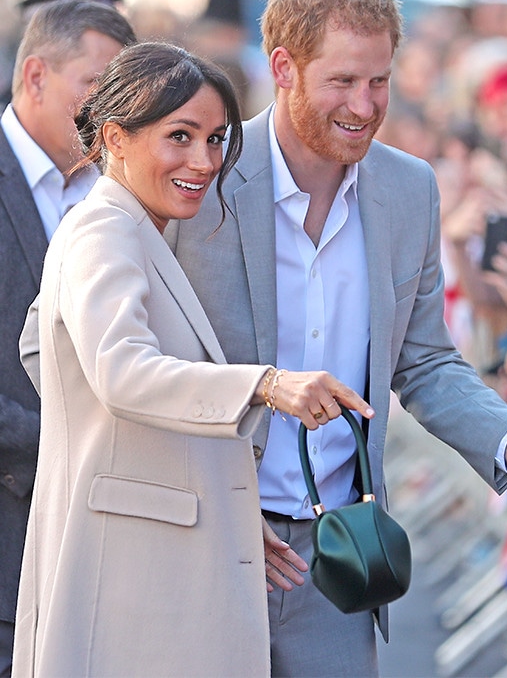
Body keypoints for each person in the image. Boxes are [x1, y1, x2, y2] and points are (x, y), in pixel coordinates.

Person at [167, 0, 507, 677]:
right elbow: (155, 361)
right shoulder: (203, 174)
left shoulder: (409, 190)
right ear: (283, 68)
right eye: (343, 81)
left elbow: (426, 360)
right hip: (208, 539)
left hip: (336, 558)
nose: (366, 104)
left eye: (379, 81)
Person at [14, 42, 380, 676]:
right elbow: (122, 370)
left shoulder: (128, 226)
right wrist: (267, 384)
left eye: (215, 139)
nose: (203, 161)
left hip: (146, 553)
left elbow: (41, 346)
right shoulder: (106, 229)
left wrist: (205, 494)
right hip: (128, 572)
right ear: (115, 138)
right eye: (179, 136)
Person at [0, 0, 135, 677]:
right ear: (35, 76)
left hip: (102, 541)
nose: (109, 113)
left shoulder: (120, 197)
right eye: (94, 87)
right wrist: (59, 445)